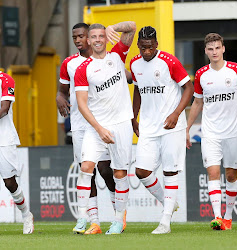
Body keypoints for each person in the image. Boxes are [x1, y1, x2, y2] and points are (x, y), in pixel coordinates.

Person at [186, 33, 237, 231]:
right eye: (210, 49)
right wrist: (187, 128)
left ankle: (228, 217)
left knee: (231, 175)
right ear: (206, 51)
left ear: (223, 48)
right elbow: (197, 102)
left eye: (217, 48)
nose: (214, 52)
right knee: (213, 172)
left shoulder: (236, 69)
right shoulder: (201, 75)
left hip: (233, 131)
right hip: (210, 132)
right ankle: (216, 217)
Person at [74, 21, 136, 235]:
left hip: (121, 125)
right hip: (96, 127)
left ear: (105, 38)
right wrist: (99, 129)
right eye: (95, 37)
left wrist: (114, 27)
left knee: (120, 173)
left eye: (102, 36)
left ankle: (118, 221)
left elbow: (132, 27)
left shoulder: (117, 55)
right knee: (86, 168)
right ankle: (83, 217)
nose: (99, 40)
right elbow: (82, 104)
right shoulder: (83, 68)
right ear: (89, 41)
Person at [130, 26, 194, 234]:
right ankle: (168, 202)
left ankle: (165, 221)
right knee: (141, 171)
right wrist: (134, 116)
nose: (146, 52)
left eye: (150, 47)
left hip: (171, 126)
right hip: (148, 126)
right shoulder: (134, 64)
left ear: (156, 44)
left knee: (170, 170)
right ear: (138, 45)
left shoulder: (169, 61)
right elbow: (138, 89)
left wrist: (176, 114)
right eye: (143, 48)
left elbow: (189, 88)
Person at [57, 23, 117, 235]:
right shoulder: (69, 63)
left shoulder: (106, 60)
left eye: (81, 36)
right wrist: (59, 97)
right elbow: (63, 90)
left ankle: (118, 216)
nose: (77, 40)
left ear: (90, 38)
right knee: (86, 172)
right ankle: (92, 221)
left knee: (106, 170)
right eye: (75, 37)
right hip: (80, 126)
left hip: (102, 123)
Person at [0, 71, 34, 234]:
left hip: (4, 139)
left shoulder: (6, 79)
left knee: (10, 183)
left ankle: (26, 215)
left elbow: (4, 108)